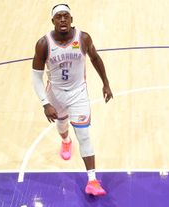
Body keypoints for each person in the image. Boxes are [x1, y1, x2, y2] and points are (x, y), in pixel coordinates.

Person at [31, 4, 113, 196]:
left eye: (66, 16)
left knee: (84, 135)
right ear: (52, 21)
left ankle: (92, 181)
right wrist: (45, 103)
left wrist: (106, 83)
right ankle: (66, 140)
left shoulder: (83, 38)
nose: (62, 20)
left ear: (71, 19)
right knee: (62, 125)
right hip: (56, 93)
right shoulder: (43, 44)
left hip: (79, 93)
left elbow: (95, 58)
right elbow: (36, 77)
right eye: (58, 17)